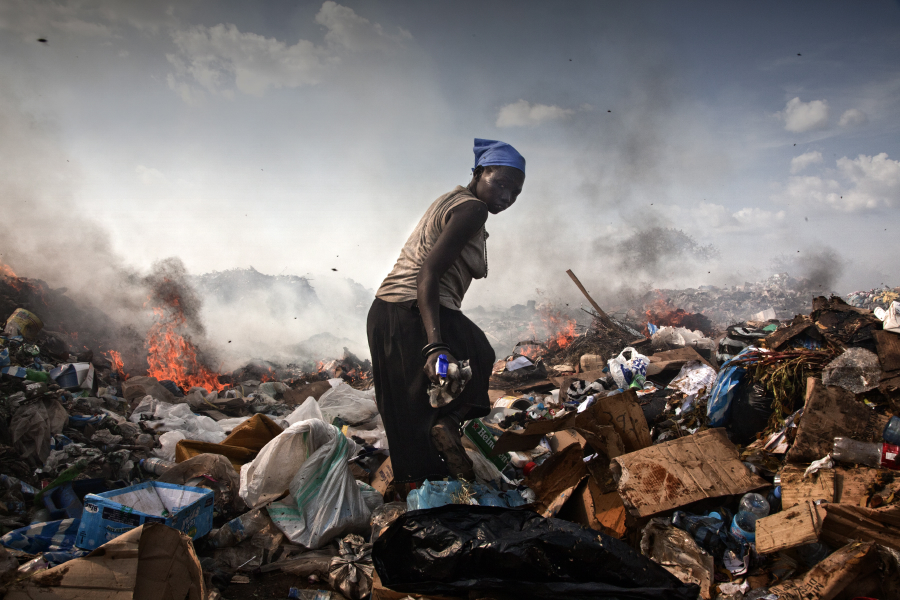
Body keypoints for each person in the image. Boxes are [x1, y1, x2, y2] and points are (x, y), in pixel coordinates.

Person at [367, 138, 526, 485]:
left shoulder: (453, 200)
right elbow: (429, 272)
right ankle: (444, 433)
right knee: (478, 353)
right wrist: (435, 345)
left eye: (515, 192)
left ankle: (419, 489)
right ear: (480, 172)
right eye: (500, 183)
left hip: (387, 314)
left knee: (409, 412)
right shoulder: (472, 209)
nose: (507, 197)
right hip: (411, 309)